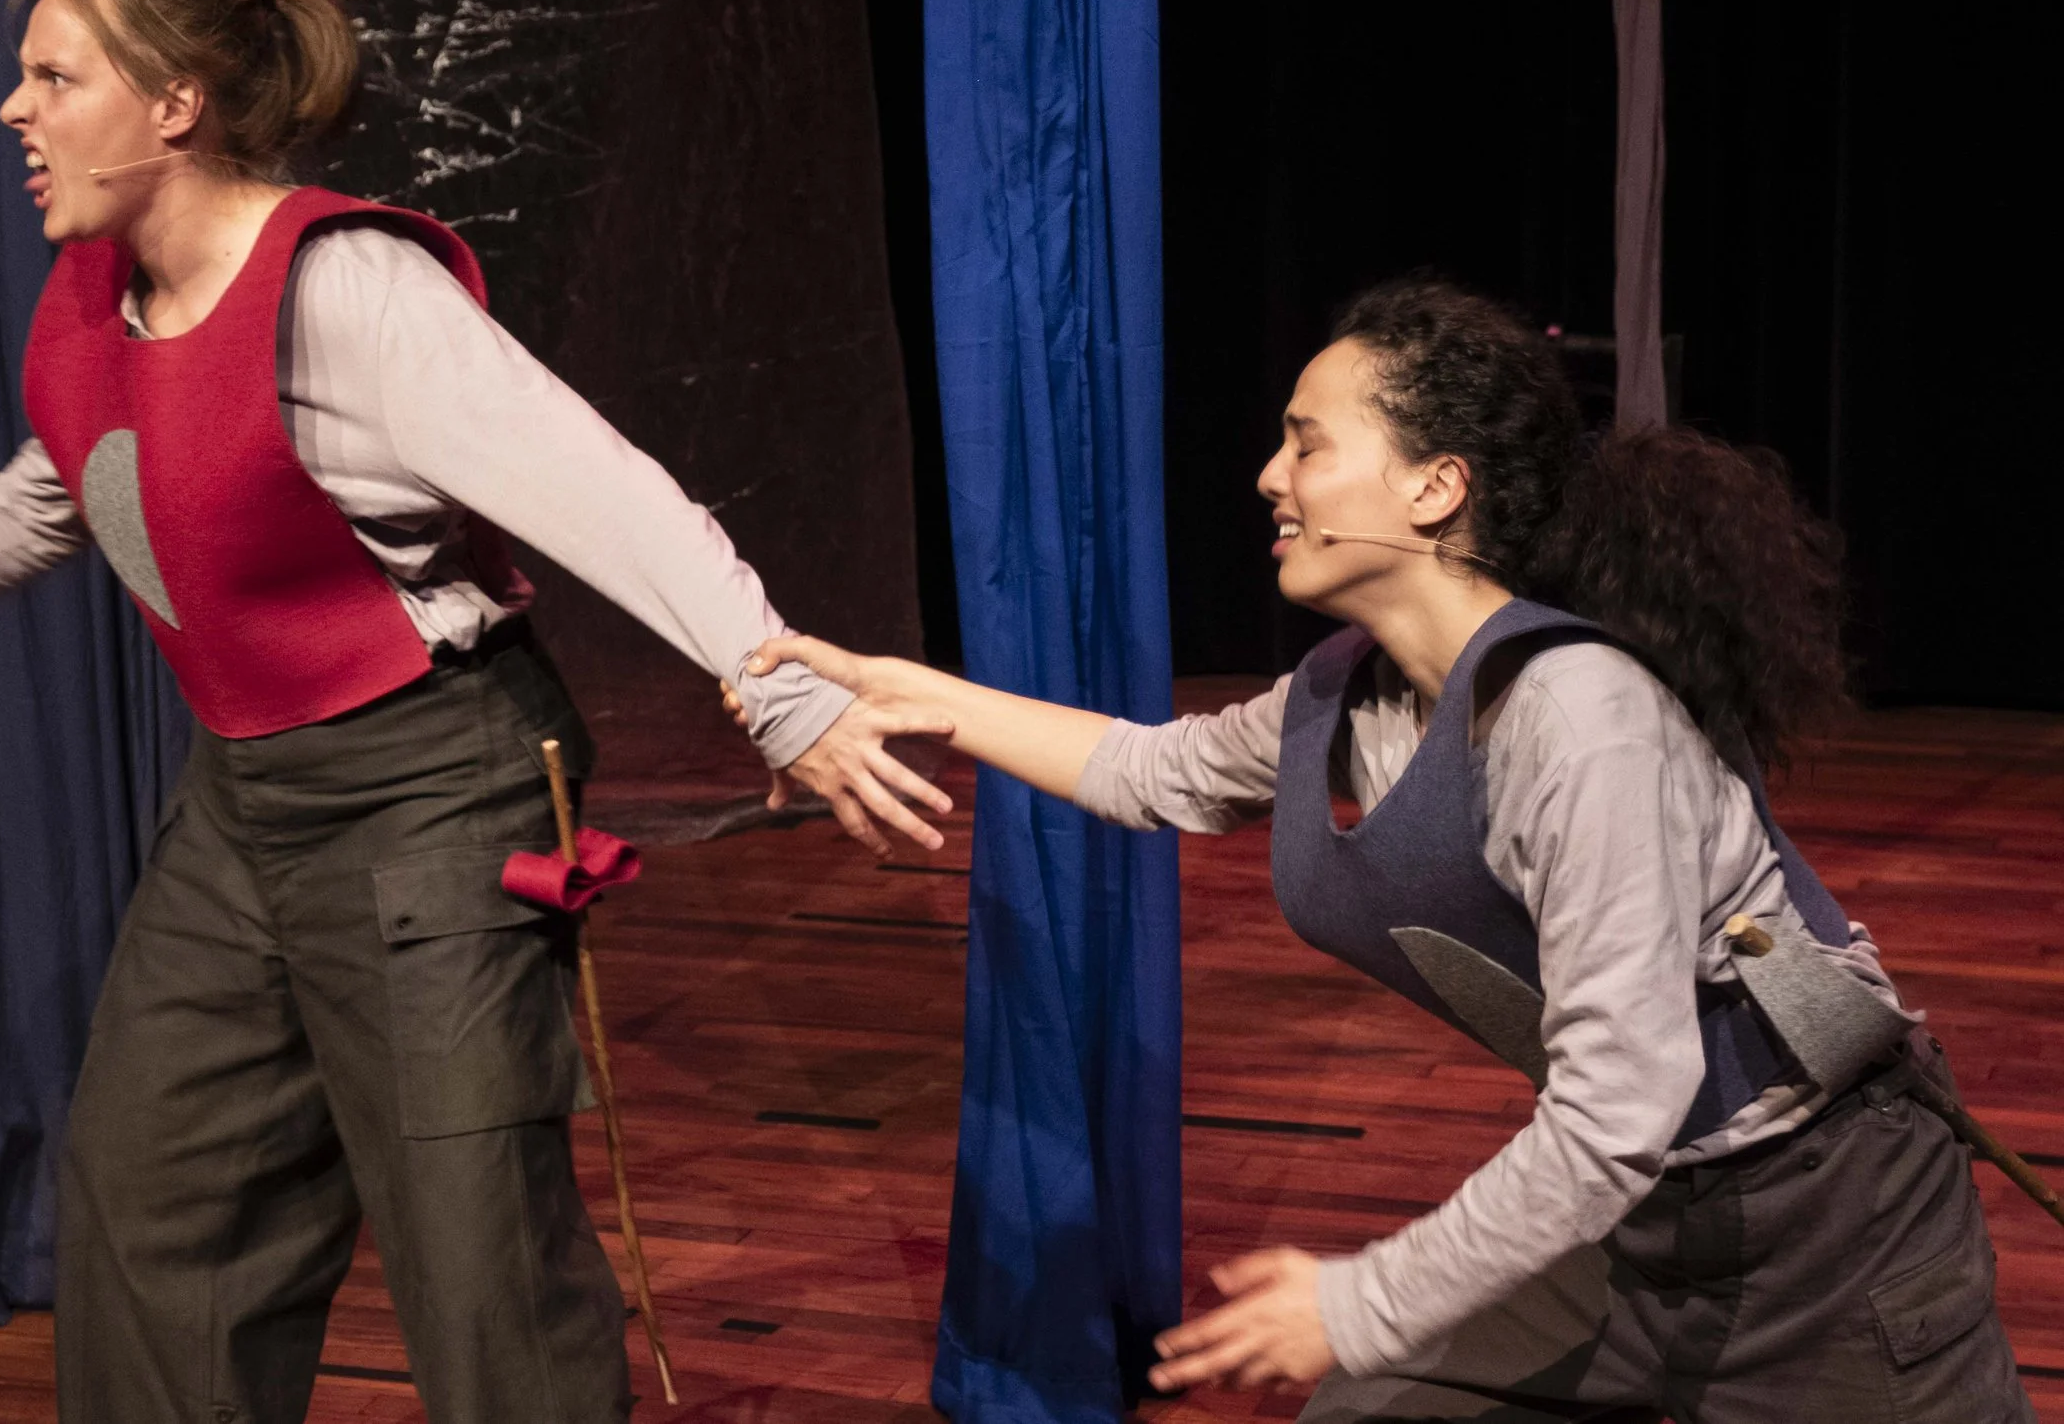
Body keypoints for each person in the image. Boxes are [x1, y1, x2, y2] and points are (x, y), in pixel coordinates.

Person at [0, 0, 953, 1424]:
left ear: (173, 104)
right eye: (21, 77)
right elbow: (56, 494)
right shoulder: (96, 292)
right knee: (152, 1200)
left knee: (475, 1254)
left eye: (54, 75)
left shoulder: (346, 293)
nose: (15, 110)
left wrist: (783, 691)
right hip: (245, 805)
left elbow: (610, 492)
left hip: (437, 792)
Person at [733, 279, 2031, 1421]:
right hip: (1643, 1224)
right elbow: (1151, 770)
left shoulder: (1580, 717)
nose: (1270, 477)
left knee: (1372, 1355)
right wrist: (909, 688)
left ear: (1435, 483)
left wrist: (1364, 1297)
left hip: (1826, 1222)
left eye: (1309, 442)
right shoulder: (1340, 692)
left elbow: (1618, 1102)